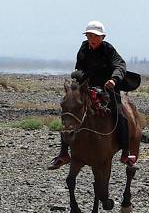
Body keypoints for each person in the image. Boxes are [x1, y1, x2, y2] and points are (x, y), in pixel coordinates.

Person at [48, 21, 135, 170]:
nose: (92, 38)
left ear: (102, 37)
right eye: (89, 35)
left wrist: (113, 80)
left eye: (95, 36)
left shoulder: (108, 49)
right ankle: (63, 153)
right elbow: (79, 68)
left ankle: (126, 153)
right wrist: (77, 83)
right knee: (69, 110)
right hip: (86, 87)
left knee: (120, 114)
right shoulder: (83, 48)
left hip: (108, 87)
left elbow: (120, 65)